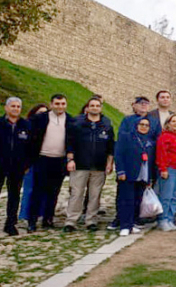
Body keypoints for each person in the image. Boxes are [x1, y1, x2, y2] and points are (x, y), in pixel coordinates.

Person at [0, 97, 33, 236]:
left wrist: (27, 164)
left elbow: (31, 148)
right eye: (13, 106)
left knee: (14, 196)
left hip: (17, 167)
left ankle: (10, 224)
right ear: (6, 108)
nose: (15, 109)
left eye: (18, 107)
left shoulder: (26, 126)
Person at [63, 97, 115, 232]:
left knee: (95, 194)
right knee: (76, 193)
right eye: (92, 105)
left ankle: (91, 220)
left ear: (100, 108)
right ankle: (71, 221)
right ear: (87, 107)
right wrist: (70, 160)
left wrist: (109, 164)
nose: (95, 108)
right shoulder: (77, 122)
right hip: (80, 164)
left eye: (97, 106)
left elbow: (110, 147)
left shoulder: (106, 124)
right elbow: (70, 143)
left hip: (99, 165)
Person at [27, 94, 69, 231]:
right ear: (51, 105)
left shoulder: (70, 120)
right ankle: (32, 220)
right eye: (57, 104)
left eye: (62, 104)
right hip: (42, 158)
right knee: (37, 191)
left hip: (60, 160)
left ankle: (48, 219)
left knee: (54, 192)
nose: (60, 106)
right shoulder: (40, 118)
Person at [114, 117, 156, 236]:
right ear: (136, 125)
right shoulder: (126, 137)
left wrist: (150, 178)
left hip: (143, 175)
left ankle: (132, 223)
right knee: (126, 200)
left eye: (146, 125)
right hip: (128, 173)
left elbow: (151, 160)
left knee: (137, 201)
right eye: (141, 124)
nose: (144, 127)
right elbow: (119, 154)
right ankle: (124, 225)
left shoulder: (149, 141)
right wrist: (120, 171)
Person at [155, 115, 176, 231]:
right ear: (168, 124)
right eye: (173, 121)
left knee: (175, 196)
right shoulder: (165, 137)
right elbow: (161, 153)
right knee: (166, 196)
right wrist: (163, 168)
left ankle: (170, 218)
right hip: (170, 169)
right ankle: (163, 219)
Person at [18, 103, 48, 223]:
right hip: (30, 161)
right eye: (40, 112)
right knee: (29, 189)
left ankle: (40, 213)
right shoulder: (27, 126)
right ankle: (24, 214)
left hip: (44, 160)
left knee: (43, 188)